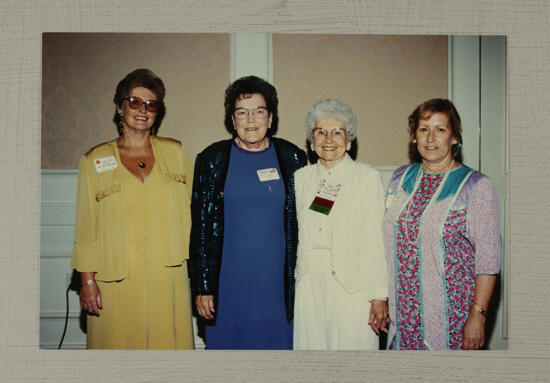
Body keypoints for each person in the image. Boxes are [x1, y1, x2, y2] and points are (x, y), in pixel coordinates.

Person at [70, 68, 194, 349]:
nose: (143, 110)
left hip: (167, 277)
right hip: (115, 279)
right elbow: (86, 227)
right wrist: (87, 282)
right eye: (135, 101)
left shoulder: (175, 153)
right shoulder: (94, 161)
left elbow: (195, 211)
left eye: (151, 104)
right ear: (120, 106)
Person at [188, 75, 307, 349]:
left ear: (271, 117)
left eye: (259, 111)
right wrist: (203, 286)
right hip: (228, 284)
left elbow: (306, 223)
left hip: (278, 286)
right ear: (232, 119)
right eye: (243, 112)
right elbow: (201, 228)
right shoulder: (212, 160)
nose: (251, 119)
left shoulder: (293, 158)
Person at [382, 98, 501, 350]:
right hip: (402, 317)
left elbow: (488, 261)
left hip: (452, 319)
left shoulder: (477, 187)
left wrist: (478, 316)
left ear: (454, 137)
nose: (431, 138)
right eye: (424, 129)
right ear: (414, 137)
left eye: (441, 129)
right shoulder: (399, 178)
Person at [293, 99, 389, 350]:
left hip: (352, 284)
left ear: (349, 140)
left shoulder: (367, 179)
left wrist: (379, 294)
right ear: (312, 141)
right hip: (309, 282)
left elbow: (377, 241)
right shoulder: (300, 179)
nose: (328, 139)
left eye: (338, 132)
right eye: (321, 132)